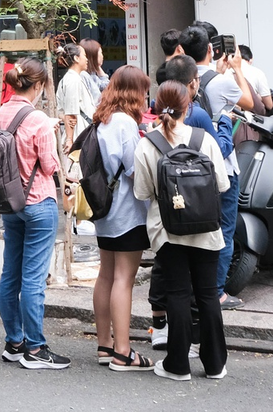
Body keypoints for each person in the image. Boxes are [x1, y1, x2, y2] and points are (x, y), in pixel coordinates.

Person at [136, 80, 230, 381]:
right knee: (207, 295)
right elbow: (222, 185)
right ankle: (215, 364)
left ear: (156, 106)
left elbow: (142, 193)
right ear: (187, 107)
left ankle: (177, 365)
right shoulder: (205, 140)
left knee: (176, 293)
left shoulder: (147, 143)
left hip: (168, 231)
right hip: (206, 231)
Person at [0, 58, 67, 370]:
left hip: (10, 202)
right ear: (37, 86)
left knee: (10, 274)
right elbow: (49, 166)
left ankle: (14, 341)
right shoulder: (38, 119)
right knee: (34, 279)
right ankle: (36, 348)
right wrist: (53, 133)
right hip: (38, 203)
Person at [182, 25, 250, 311]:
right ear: (211, 49)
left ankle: (193, 287)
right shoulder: (221, 82)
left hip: (186, 167)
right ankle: (217, 291)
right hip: (219, 167)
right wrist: (237, 70)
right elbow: (250, 102)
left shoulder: (174, 80)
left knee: (193, 231)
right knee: (223, 229)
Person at [91, 66, 153, 372]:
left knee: (106, 274)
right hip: (127, 212)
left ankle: (105, 345)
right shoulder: (126, 124)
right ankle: (123, 351)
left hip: (104, 211)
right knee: (123, 279)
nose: (145, 96)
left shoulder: (102, 119)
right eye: (143, 90)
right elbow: (133, 169)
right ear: (134, 92)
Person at [55, 43, 93, 144]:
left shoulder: (70, 78)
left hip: (79, 133)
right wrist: (69, 140)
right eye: (84, 56)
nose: (87, 59)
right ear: (76, 58)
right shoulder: (73, 80)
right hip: (78, 135)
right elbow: (70, 113)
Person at [238, 46, 273, 114]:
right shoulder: (257, 73)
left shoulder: (225, 73)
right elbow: (269, 105)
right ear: (251, 60)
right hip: (250, 119)